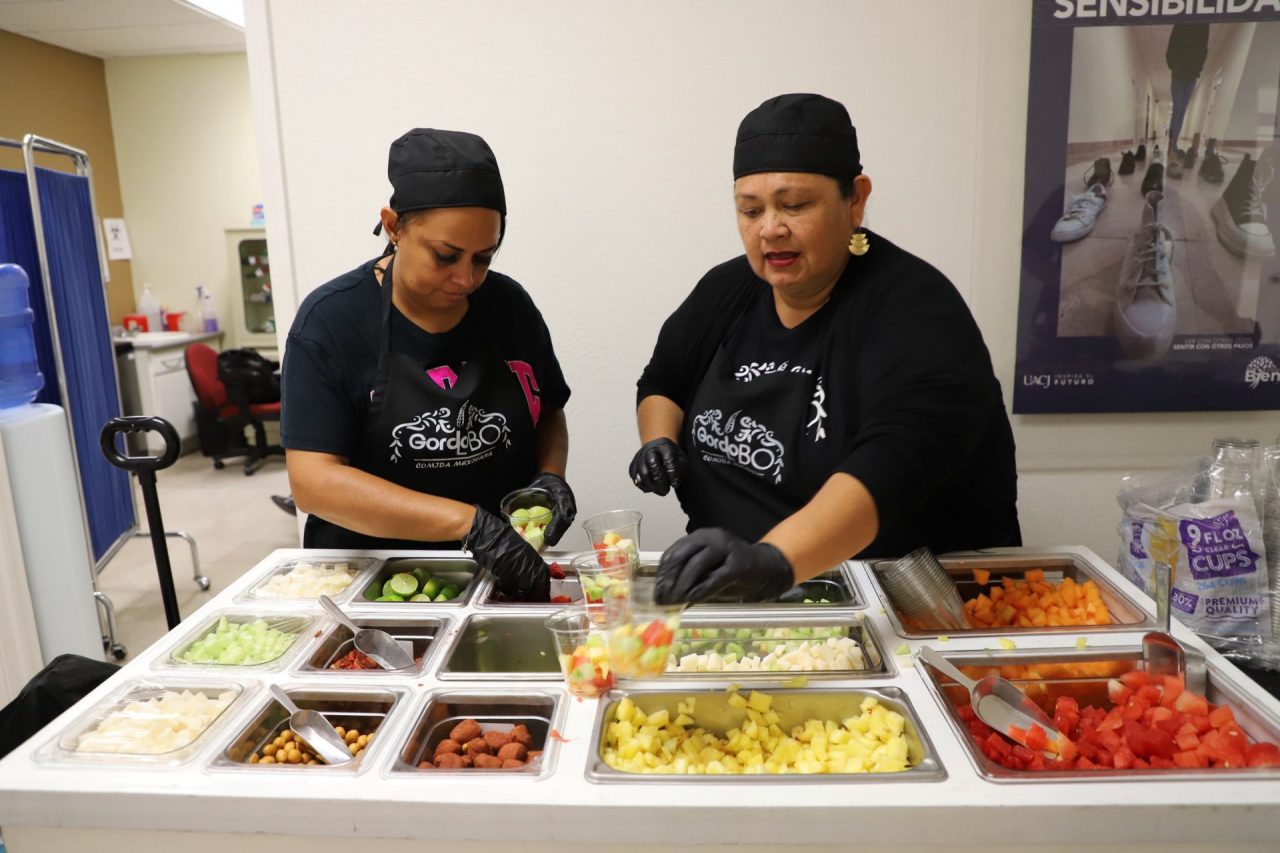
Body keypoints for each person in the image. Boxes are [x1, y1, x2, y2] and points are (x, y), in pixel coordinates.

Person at [632, 94, 1020, 605]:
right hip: (738, 595)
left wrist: (774, 560)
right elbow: (664, 380)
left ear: (855, 199)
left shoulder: (916, 309)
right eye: (750, 210)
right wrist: (659, 440)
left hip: (903, 602)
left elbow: (892, 464)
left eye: (794, 205)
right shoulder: (726, 291)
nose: (770, 228)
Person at [281, 129, 574, 601]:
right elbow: (314, 482)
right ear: (393, 226)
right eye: (445, 256)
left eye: (483, 258)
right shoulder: (332, 321)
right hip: (372, 585)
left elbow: (548, 411)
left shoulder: (510, 307)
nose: (466, 278)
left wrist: (550, 476)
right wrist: (468, 524)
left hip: (498, 572)